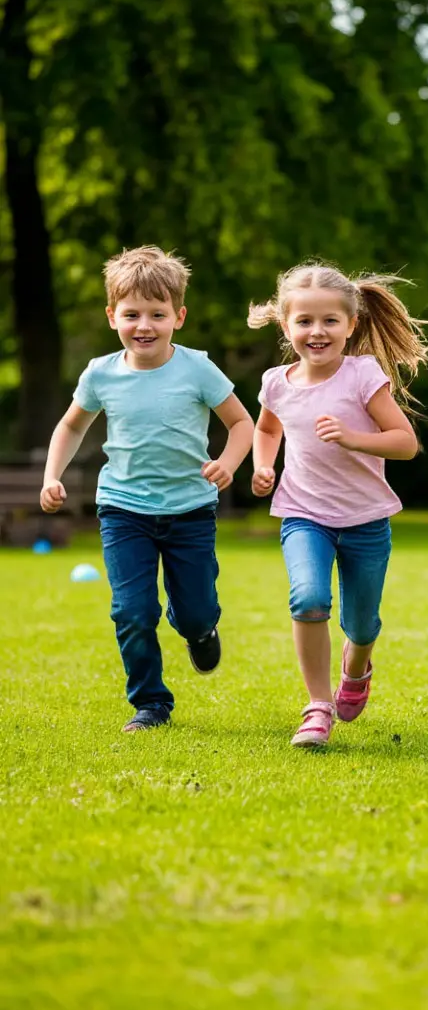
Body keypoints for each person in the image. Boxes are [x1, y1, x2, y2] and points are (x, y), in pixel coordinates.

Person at [40, 246, 254, 732]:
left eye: (157, 314)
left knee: (197, 613)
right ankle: (151, 704)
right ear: (112, 315)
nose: (144, 325)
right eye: (132, 314)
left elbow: (242, 424)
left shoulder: (197, 368)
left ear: (178, 316)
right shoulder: (101, 373)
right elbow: (71, 427)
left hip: (190, 510)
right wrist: (53, 475)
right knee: (132, 611)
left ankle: (197, 629)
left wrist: (227, 463)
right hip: (123, 509)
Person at [248, 263, 428, 749]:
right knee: (307, 599)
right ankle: (317, 706)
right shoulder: (276, 382)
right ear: (285, 325)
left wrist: (353, 438)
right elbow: (267, 430)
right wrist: (264, 466)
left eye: (330, 321)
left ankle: (356, 665)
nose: (317, 331)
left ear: (351, 326)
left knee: (362, 622)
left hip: (366, 519)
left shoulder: (362, 375)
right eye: (304, 321)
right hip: (303, 514)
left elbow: (405, 443)